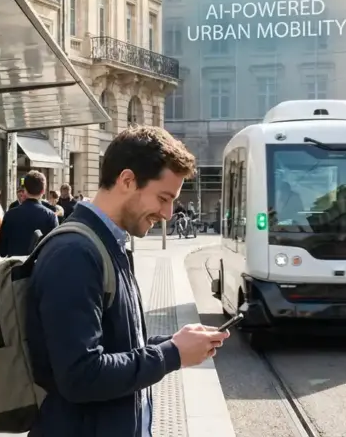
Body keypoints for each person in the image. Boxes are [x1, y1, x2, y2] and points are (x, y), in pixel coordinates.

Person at [25, 126, 230, 436]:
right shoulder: (75, 254)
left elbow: (116, 346)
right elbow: (80, 375)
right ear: (127, 180)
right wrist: (171, 355)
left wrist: (173, 343)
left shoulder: (108, 245)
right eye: (163, 198)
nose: (168, 212)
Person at [0, 170, 59, 258]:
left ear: (25, 190)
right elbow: (54, 249)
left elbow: (1, 250)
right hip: (39, 268)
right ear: (43, 191)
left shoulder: (10, 214)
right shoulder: (50, 216)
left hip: (15, 267)